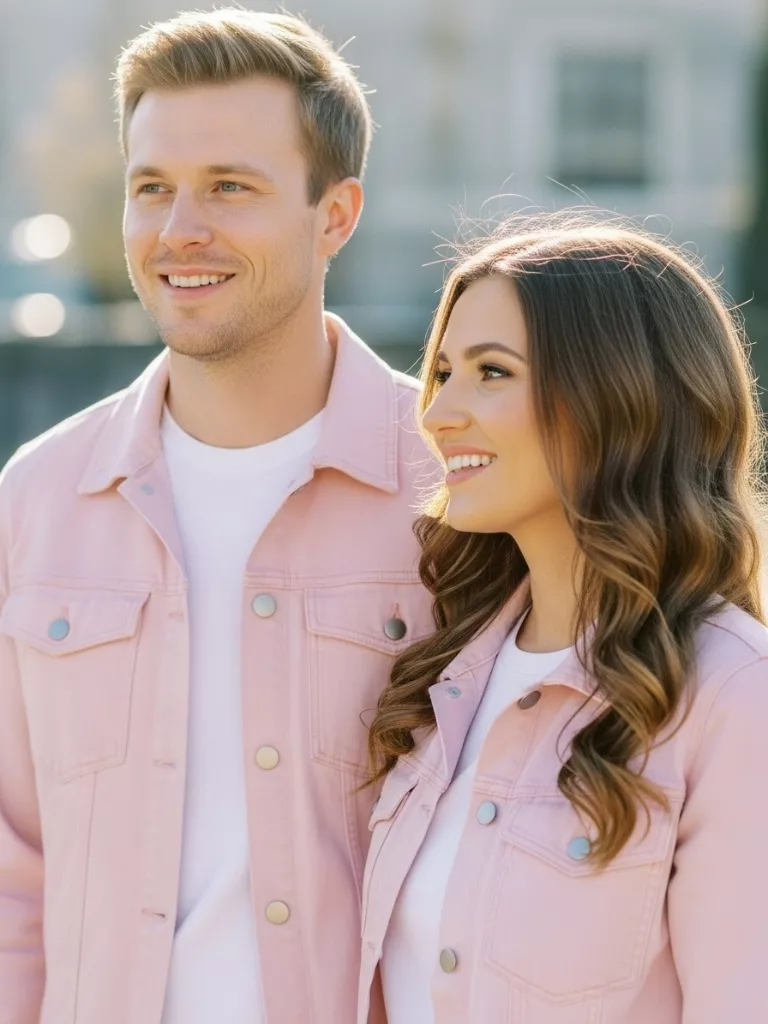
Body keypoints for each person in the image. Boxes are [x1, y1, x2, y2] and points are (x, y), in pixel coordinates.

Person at [0, 9, 437, 1024]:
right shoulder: (37, 500)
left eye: (230, 187)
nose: (177, 229)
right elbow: (12, 866)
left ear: (334, 216)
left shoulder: (458, 492)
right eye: (152, 187)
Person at [358, 212, 768, 1024]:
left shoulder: (733, 695)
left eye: (493, 373)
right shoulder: (443, 677)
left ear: (619, 396)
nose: (438, 414)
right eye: (441, 372)